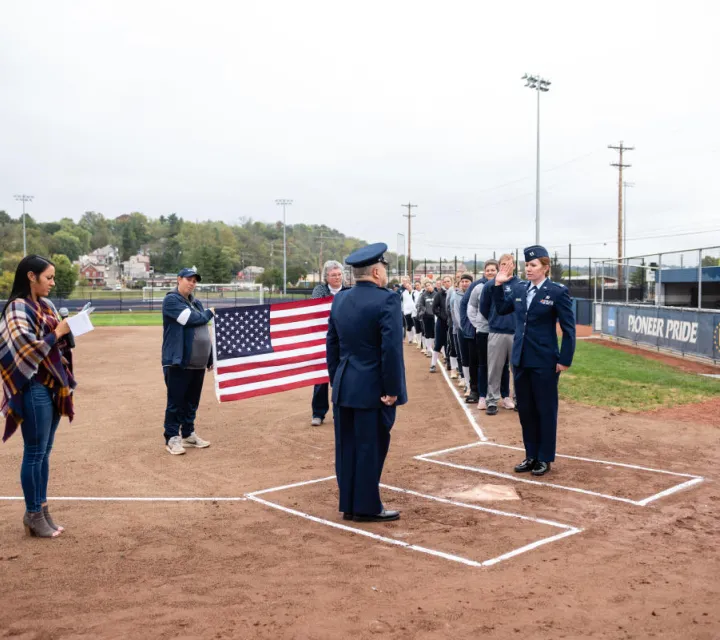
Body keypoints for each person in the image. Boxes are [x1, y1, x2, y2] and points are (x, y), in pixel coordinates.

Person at [326, 242, 407, 522]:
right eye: (383, 268)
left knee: (347, 447)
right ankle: (367, 506)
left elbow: (332, 343)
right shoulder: (387, 300)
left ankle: (350, 503)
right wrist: (392, 389)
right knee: (370, 447)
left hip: (345, 384)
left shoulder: (340, 299)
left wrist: (338, 376)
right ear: (375, 271)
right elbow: (391, 349)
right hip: (372, 388)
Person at [0, 255, 75, 538]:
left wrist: (68, 330)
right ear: (31, 277)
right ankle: (33, 513)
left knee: (44, 452)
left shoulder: (44, 305)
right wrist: (58, 332)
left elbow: (55, 340)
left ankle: (41, 510)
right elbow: (25, 349)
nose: (53, 283)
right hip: (32, 387)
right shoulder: (17, 308)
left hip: (53, 385)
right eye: (49, 277)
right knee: (34, 452)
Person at [493, 245, 576, 476]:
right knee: (526, 410)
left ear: (545, 268)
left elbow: (569, 329)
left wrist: (564, 359)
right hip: (520, 359)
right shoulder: (519, 289)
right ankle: (530, 455)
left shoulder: (557, 292)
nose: (528, 269)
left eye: (533, 265)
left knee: (545, 410)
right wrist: (498, 284)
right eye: (526, 265)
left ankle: (544, 457)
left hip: (544, 361)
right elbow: (500, 309)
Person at [161, 267, 214, 455]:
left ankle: (188, 434)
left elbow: (203, 330)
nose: (192, 283)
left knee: (192, 401)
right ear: (179, 279)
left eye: (195, 281)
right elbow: (188, 319)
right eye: (189, 279)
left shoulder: (197, 303)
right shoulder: (171, 300)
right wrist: (208, 313)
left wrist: (209, 354)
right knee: (176, 401)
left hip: (198, 362)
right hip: (178, 361)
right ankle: (172, 437)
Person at [310, 260, 349, 426]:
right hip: (322, 340)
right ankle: (318, 413)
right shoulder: (320, 291)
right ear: (327, 277)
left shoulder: (349, 292)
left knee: (342, 378)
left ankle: (339, 412)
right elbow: (314, 312)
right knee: (321, 378)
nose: (337, 277)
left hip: (344, 340)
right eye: (334, 275)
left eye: (339, 274)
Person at [480, 253, 517, 416]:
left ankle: (518, 399)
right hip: (497, 331)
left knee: (518, 369)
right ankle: (492, 401)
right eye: (503, 264)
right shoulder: (490, 285)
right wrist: (495, 320)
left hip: (516, 333)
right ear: (499, 265)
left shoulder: (520, 284)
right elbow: (484, 307)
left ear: (514, 266)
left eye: (509, 264)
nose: (506, 267)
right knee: (494, 369)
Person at [430, 276, 453, 373]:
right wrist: (442, 316)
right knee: (438, 343)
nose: (446, 283)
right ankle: (433, 364)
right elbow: (434, 308)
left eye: (448, 281)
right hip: (441, 322)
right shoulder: (439, 295)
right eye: (445, 282)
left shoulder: (455, 293)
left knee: (450, 343)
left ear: (451, 282)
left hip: (451, 323)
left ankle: (450, 363)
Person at [416, 279, 436, 356]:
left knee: (433, 333)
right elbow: (420, 304)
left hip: (434, 317)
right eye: (426, 286)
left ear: (432, 285)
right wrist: (425, 310)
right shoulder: (423, 295)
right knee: (427, 333)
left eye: (429, 285)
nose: (428, 287)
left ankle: (433, 348)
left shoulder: (436, 294)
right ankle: (428, 350)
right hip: (426, 317)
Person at [400, 277, 416, 345]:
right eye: (407, 286)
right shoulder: (403, 293)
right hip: (406, 311)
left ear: (411, 285)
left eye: (409, 285)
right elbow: (402, 302)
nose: (408, 287)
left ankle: (415, 338)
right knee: (409, 325)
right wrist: (403, 310)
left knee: (414, 325)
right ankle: (410, 339)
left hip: (414, 311)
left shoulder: (414, 292)